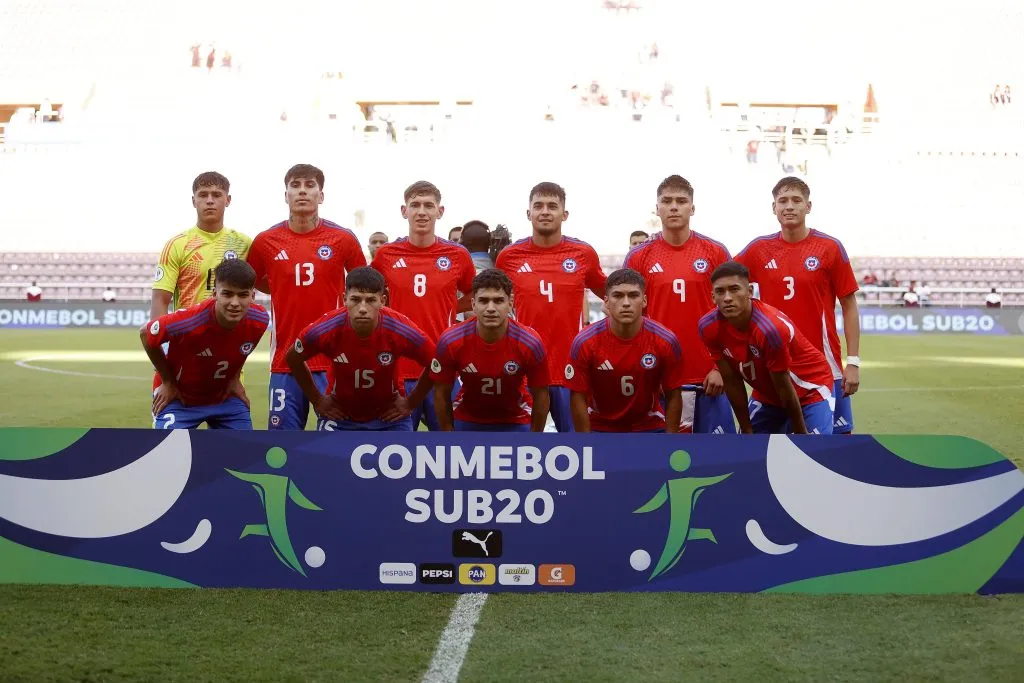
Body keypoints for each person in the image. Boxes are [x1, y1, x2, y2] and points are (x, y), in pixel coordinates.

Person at [735, 177, 860, 435]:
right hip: (774, 367)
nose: (789, 206)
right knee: (751, 448)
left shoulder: (829, 248)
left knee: (834, 449)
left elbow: (849, 305)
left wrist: (854, 362)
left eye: (796, 200)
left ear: (808, 206)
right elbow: (721, 276)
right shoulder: (759, 249)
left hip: (824, 368)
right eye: (783, 201)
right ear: (774, 208)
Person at [247, 164, 366, 430]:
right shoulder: (265, 241)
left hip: (334, 362)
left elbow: (365, 289)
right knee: (283, 445)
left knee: (336, 445)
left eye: (310, 185)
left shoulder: (342, 239)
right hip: (284, 362)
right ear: (286, 194)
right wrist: (278, 287)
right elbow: (250, 284)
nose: (303, 191)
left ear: (320, 196)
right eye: (296, 185)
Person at [624, 175, 735, 434]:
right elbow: (628, 321)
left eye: (681, 201)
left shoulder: (714, 252)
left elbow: (733, 315)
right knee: (661, 465)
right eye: (667, 201)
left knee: (721, 464)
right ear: (657, 208)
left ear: (692, 208)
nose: (674, 206)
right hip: (657, 381)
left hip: (710, 379)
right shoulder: (639, 257)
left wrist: (721, 369)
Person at [496, 182, 607, 432]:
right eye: (538, 206)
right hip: (523, 372)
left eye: (552, 206)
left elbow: (612, 295)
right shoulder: (509, 257)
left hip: (571, 370)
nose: (545, 211)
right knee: (523, 452)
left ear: (564, 214)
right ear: (529, 213)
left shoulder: (582, 253)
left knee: (579, 451)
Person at [370, 180, 475, 430]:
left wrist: (450, 308)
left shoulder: (457, 255)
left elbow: (475, 294)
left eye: (429, 205)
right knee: (394, 455)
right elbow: (368, 297)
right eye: (415, 205)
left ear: (440, 211)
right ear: (404, 211)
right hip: (396, 371)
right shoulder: (386, 255)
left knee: (450, 452)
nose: (421, 211)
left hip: (443, 370)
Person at [285, 267, 434, 431]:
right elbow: (293, 358)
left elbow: (435, 363)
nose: (362, 308)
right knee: (325, 456)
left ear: (382, 301)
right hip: (340, 416)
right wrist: (318, 400)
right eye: (355, 299)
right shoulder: (325, 329)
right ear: (344, 299)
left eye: (370, 300)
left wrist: (410, 403)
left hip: (389, 417)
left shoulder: (401, 329)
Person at [698, 261, 834, 435]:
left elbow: (784, 386)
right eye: (720, 291)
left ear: (749, 292)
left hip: (810, 389)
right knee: (748, 451)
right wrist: (746, 429)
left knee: (813, 452)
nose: (727, 298)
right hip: (768, 396)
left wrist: (801, 435)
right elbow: (731, 380)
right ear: (712, 297)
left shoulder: (770, 330)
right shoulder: (708, 327)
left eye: (734, 289)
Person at [141, 260, 269, 430]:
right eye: (227, 294)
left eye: (243, 295)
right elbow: (145, 334)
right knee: (169, 453)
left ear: (253, 296)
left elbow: (240, 350)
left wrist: (234, 378)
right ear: (215, 293)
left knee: (244, 452)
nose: (235, 302)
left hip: (223, 399)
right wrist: (167, 382)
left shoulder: (259, 320)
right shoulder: (190, 321)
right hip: (179, 398)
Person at [565, 268, 685, 433]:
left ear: (644, 301)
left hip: (649, 426)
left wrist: (670, 443)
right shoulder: (585, 342)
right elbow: (577, 396)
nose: (626, 303)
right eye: (618, 296)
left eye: (634, 295)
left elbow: (673, 395)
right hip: (599, 427)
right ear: (606, 302)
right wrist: (585, 444)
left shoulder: (665, 340)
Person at [431, 269, 551, 432]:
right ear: (473, 304)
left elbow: (541, 395)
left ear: (511, 303)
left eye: (498, 300)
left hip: (516, 418)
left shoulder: (530, 342)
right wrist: (448, 434)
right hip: (467, 418)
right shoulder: (452, 340)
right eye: (483, 301)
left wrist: (534, 439)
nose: (491, 308)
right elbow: (440, 392)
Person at [151, 172, 251, 320]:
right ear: (193, 201)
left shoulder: (244, 243)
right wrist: (156, 339)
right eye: (203, 195)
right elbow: (160, 299)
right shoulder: (177, 245)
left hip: (230, 338)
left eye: (216, 195)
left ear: (228, 200)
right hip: (187, 336)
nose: (210, 201)